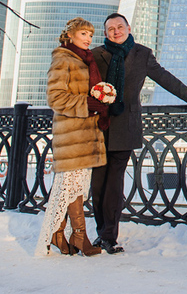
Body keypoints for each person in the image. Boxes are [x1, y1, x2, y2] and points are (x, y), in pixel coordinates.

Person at [90, 12, 187, 254]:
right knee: (98, 184)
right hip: (98, 126)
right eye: (111, 29)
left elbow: (165, 78)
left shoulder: (142, 54)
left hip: (126, 125)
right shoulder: (96, 55)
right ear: (105, 33)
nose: (116, 32)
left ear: (128, 27)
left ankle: (108, 237)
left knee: (114, 183)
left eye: (120, 27)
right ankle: (100, 231)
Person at [35, 17, 113, 257]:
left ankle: (66, 235)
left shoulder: (84, 60)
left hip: (86, 133)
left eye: (90, 35)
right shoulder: (62, 60)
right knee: (69, 185)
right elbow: (56, 98)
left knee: (77, 187)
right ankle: (78, 235)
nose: (88, 39)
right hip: (71, 135)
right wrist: (87, 104)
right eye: (83, 34)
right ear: (70, 36)